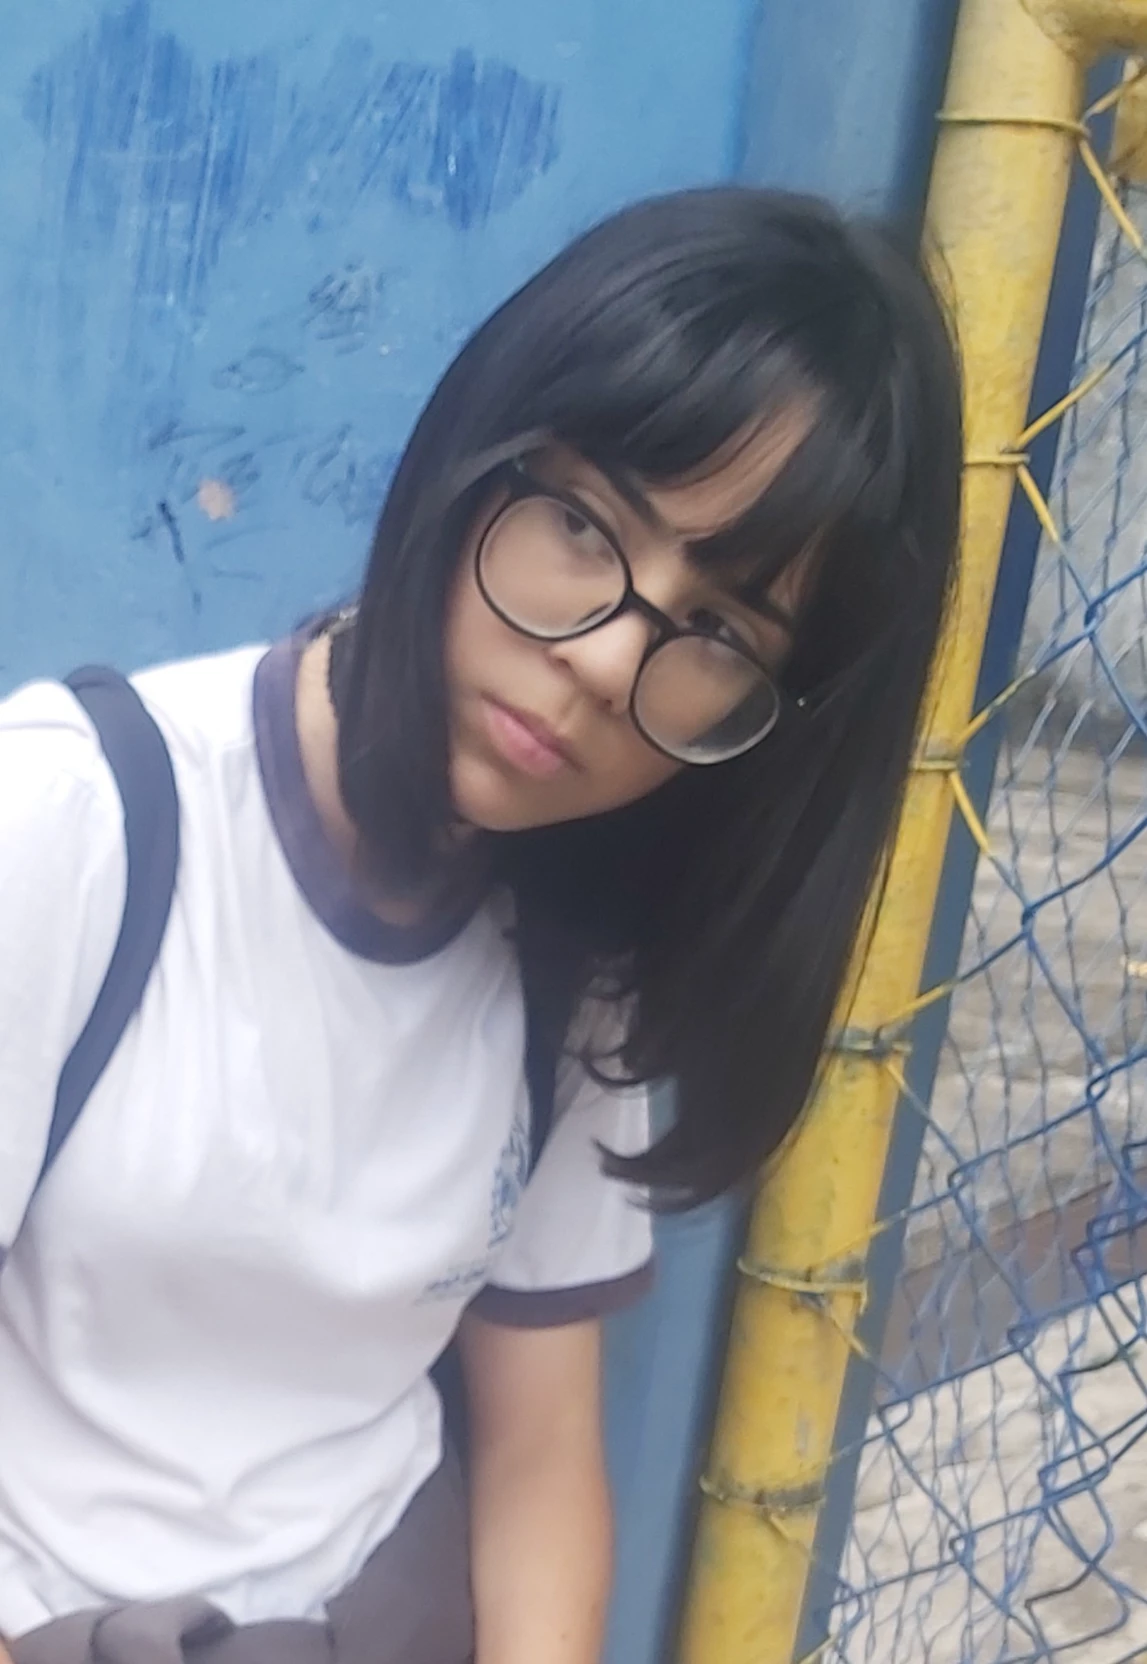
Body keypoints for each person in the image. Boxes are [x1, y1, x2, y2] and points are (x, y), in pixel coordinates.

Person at [0, 186, 962, 1664]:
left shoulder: (572, 962)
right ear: (472, 461)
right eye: (584, 524)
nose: (605, 661)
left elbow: (537, 1454)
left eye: (715, 632)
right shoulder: (78, 823)